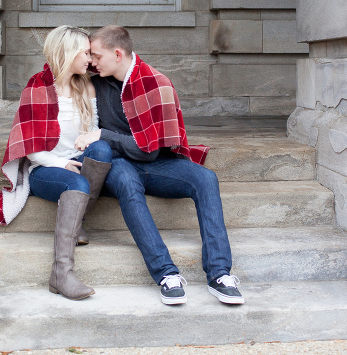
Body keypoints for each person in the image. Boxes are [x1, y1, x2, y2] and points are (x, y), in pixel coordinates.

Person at [74, 25, 244, 306]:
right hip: (116, 163)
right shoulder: (96, 81)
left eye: (97, 55)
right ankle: (166, 274)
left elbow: (148, 151)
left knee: (205, 179)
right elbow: (61, 64)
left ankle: (220, 273)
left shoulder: (155, 83)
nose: (92, 61)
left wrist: (103, 134)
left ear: (118, 54)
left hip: (153, 162)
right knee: (128, 181)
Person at [0, 26, 112, 301]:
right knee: (77, 181)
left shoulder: (88, 87)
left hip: (79, 161)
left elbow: (93, 133)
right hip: (45, 168)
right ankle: (61, 274)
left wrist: (83, 153)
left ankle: (78, 220)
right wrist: (61, 164)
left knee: (103, 148)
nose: (90, 59)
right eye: (85, 53)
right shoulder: (37, 88)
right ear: (68, 53)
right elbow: (32, 150)